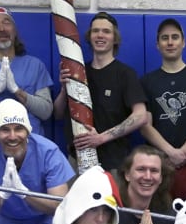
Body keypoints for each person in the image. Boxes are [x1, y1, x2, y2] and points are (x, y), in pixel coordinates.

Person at [54, 11, 149, 172]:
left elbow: (140, 115)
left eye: (106, 31)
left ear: (115, 38)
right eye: (95, 31)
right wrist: (64, 88)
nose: (100, 35)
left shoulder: (125, 74)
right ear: (89, 36)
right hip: (76, 161)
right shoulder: (78, 71)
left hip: (113, 164)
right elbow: (57, 113)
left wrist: (100, 138)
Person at [139, 18, 186, 199]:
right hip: (157, 164)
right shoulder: (147, 81)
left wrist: (184, 151)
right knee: (159, 218)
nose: (170, 42)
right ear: (157, 45)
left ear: (183, 42)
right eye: (164, 38)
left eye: (175, 37)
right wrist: (171, 152)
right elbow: (144, 125)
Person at [0, 6, 55, 139]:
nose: (2, 28)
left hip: (31, 144)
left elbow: (46, 112)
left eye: (7, 22)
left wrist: (18, 92)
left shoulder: (34, 65)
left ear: (14, 31)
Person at [112, 145, 175, 224]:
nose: (147, 177)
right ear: (127, 174)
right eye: (141, 169)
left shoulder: (167, 214)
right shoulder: (111, 210)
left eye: (154, 171)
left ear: (161, 178)